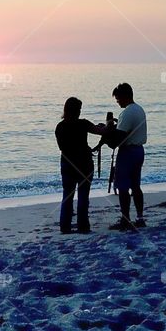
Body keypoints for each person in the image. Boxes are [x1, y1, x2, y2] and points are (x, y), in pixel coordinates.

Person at [55, 97, 105, 234]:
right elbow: (100, 131)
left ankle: (65, 226)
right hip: (84, 164)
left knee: (67, 196)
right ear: (76, 111)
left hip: (67, 164)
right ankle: (83, 226)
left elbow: (61, 147)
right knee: (83, 196)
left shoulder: (60, 127)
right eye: (79, 109)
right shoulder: (83, 124)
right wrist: (108, 126)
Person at [109, 83, 147, 231]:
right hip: (139, 151)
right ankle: (139, 217)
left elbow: (118, 139)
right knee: (136, 186)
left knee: (123, 187)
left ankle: (125, 219)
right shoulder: (139, 109)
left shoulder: (127, 113)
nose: (117, 101)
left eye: (118, 98)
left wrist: (108, 131)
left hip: (128, 152)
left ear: (125, 96)